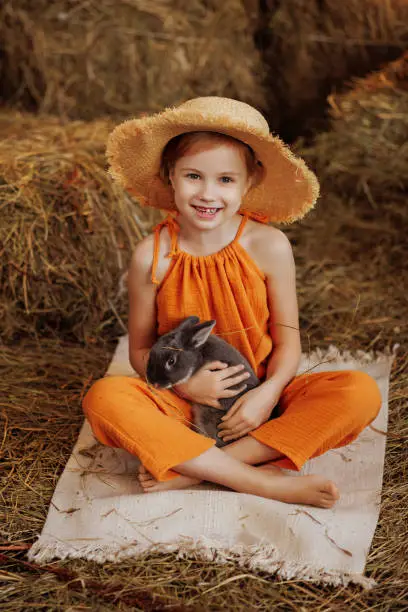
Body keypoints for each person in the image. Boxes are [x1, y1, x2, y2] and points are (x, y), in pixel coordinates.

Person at [82, 97, 382, 508]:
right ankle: (259, 480)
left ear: (249, 181)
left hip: (260, 400)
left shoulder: (269, 245)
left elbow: (288, 339)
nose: (208, 193)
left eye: (225, 180)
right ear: (170, 175)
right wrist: (187, 386)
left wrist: (268, 394)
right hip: (186, 405)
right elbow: (139, 349)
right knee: (105, 397)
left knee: (359, 392)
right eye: (193, 176)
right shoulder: (151, 256)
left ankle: (199, 469)